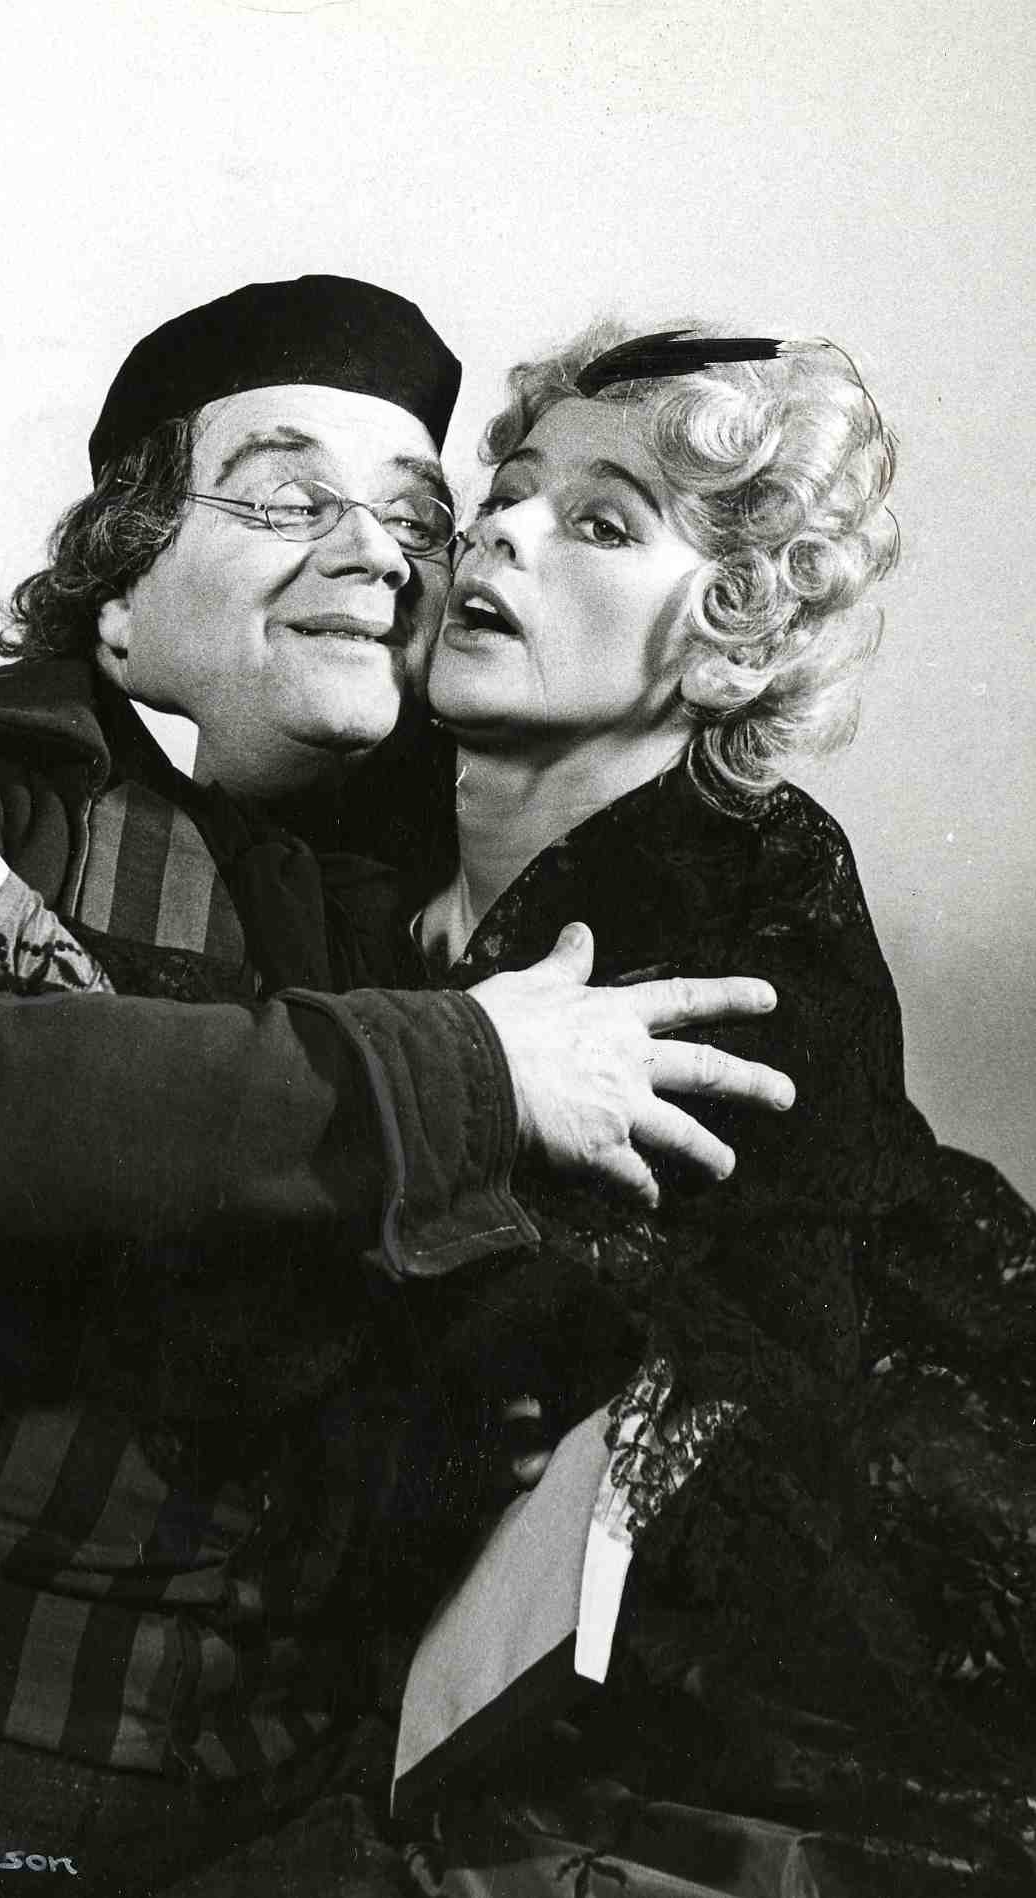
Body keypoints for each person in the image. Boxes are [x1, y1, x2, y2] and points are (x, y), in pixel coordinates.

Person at [0, 281, 794, 1897]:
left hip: (267, 1831)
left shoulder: (455, 914)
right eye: (283, 498)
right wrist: (467, 1075)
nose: (379, 553)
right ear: (115, 588)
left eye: (416, 519)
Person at [383, 322, 1036, 1894]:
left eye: (601, 523)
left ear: (729, 648)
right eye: (505, 493)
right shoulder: (365, 846)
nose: (502, 533)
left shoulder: (760, 896)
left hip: (793, 1713)